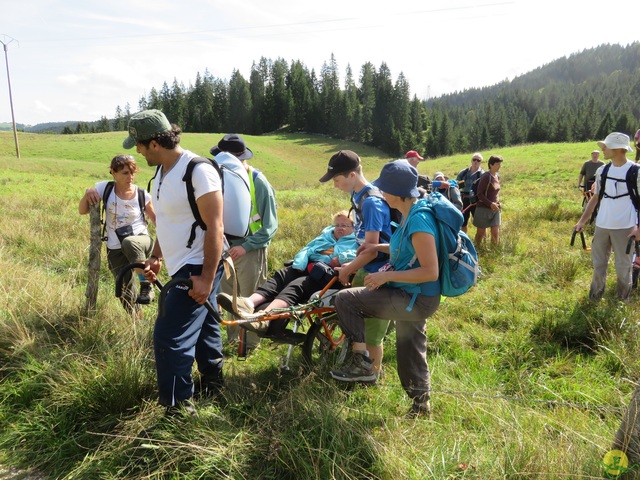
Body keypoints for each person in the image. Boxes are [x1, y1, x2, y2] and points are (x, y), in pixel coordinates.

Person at [124, 109, 226, 416]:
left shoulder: (197, 170)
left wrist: (206, 278)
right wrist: (156, 255)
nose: (138, 151)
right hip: (183, 265)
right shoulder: (160, 174)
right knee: (206, 325)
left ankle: (178, 409)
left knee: (169, 338)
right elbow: (168, 222)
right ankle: (214, 385)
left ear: (155, 143)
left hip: (199, 265)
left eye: (140, 145)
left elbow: (215, 226)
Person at [330, 160, 441, 417]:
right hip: (416, 296)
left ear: (395, 192)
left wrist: (385, 276)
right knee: (410, 350)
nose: (381, 194)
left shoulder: (419, 220)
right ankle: (421, 406)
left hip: (414, 296)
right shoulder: (411, 213)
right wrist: (377, 248)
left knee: (346, 300)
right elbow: (406, 249)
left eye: (384, 189)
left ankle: (362, 364)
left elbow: (430, 270)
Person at [217, 211, 357, 342]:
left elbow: (359, 255)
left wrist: (341, 257)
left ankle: (265, 317)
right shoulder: (326, 236)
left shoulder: (356, 240)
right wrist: (300, 261)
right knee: (283, 274)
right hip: (310, 267)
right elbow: (307, 249)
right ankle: (249, 303)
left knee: (298, 284)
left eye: (345, 225)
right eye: (337, 225)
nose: (340, 228)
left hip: (329, 278)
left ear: (354, 227)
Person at [319, 150, 392, 377]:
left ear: (352, 175)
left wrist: (349, 268)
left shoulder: (371, 202)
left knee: (373, 331)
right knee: (363, 324)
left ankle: (372, 377)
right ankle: (364, 372)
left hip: (382, 273)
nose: (335, 185)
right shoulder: (358, 197)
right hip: (367, 269)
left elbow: (371, 250)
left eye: (337, 180)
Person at [210, 134, 278, 352]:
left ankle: (249, 347)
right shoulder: (217, 179)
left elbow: (270, 226)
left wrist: (245, 247)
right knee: (228, 298)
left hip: (250, 251)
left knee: (249, 298)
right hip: (226, 251)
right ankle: (233, 342)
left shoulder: (258, 181)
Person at [78, 154, 156, 315]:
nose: (131, 177)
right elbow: (82, 210)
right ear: (113, 172)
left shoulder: (142, 194)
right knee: (125, 289)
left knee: (129, 242)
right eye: (125, 173)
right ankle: (136, 321)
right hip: (115, 245)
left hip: (140, 240)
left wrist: (159, 254)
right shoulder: (104, 189)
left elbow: (158, 222)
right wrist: (88, 192)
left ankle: (147, 285)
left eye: (133, 173)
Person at [574, 132, 640, 303]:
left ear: (618, 149)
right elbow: (595, 197)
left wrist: (638, 228)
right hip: (602, 225)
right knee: (598, 265)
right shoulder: (602, 170)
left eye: (606, 146)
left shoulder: (636, 172)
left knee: (623, 267)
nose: (602, 149)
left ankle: (621, 302)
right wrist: (582, 221)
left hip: (626, 227)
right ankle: (594, 298)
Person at [473, 155, 503, 245]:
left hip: (495, 209)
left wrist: (497, 203)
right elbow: (479, 194)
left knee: (495, 232)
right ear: (491, 165)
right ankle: (476, 249)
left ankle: (494, 253)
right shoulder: (486, 176)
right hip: (483, 208)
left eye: (500, 164)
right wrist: (490, 204)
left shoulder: (497, 176)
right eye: (497, 164)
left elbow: (495, 192)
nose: (499, 166)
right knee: (480, 233)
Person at [456, 153, 485, 233]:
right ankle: (464, 240)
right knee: (463, 222)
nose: (476, 161)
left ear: (481, 162)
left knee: (481, 223)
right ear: (471, 161)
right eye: (474, 159)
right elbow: (456, 184)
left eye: (478, 160)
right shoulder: (463, 172)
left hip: (476, 201)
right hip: (464, 199)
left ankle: (482, 242)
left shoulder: (482, 174)